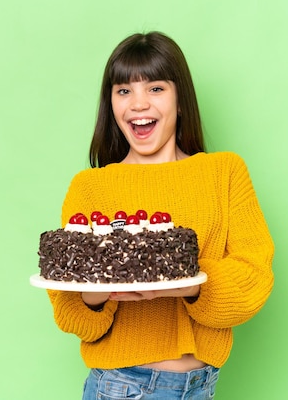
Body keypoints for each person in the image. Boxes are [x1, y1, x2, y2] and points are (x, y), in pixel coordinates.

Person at [47, 31, 274, 399]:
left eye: (155, 88)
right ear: (111, 105)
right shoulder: (90, 188)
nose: (138, 103)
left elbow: (254, 276)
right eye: (124, 91)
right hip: (119, 386)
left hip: (200, 387)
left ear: (180, 99)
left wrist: (193, 284)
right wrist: (95, 295)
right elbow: (71, 313)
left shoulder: (225, 173)